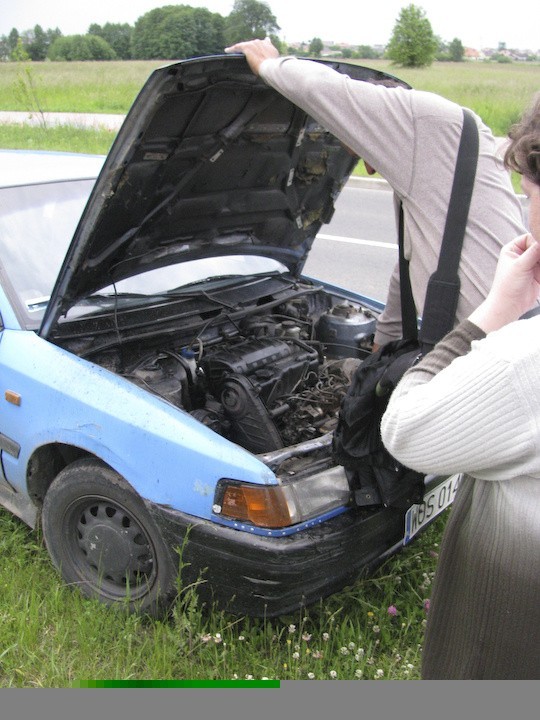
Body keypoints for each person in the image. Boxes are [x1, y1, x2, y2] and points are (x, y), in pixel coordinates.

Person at [224, 38, 527, 348]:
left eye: (359, 149)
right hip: (491, 341)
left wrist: (269, 65)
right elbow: (407, 270)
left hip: (501, 352)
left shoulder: (422, 120)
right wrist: (378, 354)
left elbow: (323, 90)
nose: (369, 168)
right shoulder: (435, 161)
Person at [380, 93, 540, 679]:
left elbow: (405, 430)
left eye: (528, 196)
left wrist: (493, 312)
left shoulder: (523, 364)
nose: (526, 214)